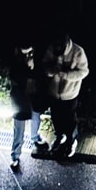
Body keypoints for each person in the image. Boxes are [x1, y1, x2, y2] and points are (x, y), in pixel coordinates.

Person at [36, 31, 88, 160]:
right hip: (53, 92)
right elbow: (45, 64)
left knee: (70, 119)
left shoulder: (77, 52)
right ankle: (59, 137)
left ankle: (71, 141)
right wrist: (51, 71)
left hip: (70, 93)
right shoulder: (52, 48)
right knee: (56, 117)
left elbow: (84, 71)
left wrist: (66, 75)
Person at [9, 42, 41, 171]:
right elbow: (16, 78)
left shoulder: (34, 59)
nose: (29, 55)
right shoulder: (16, 64)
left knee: (35, 118)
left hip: (31, 96)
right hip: (20, 98)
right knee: (19, 128)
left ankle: (35, 139)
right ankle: (15, 156)